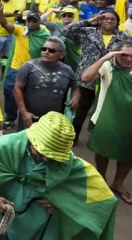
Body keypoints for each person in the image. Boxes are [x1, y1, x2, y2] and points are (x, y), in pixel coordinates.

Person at [0, 111, 117, 239]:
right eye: (41, 153)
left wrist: (63, 203)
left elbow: (104, 199)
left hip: (44, 222)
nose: (46, 159)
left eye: (53, 157)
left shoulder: (69, 163)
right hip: (6, 215)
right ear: (31, 139)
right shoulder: (5, 147)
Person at [61, 10, 129, 143]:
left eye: (112, 19)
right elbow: (65, 30)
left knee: (106, 109)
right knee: (81, 109)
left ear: (117, 22)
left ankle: (102, 139)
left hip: (110, 78)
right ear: (100, 20)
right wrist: (89, 21)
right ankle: (72, 138)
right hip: (87, 77)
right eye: (105, 18)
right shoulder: (88, 32)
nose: (109, 21)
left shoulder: (123, 37)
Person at [81, 39, 132, 205]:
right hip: (106, 118)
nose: (129, 59)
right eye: (124, 55)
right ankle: (101, 180)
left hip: (129, 120)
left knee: (128, 154)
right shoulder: (108, 66)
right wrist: (105, 58)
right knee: (102, 150)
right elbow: (85, 77)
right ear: (116, 53)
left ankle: (118, 184)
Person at [0, 3, 51, 129]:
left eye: (34, 21)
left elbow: (48, 51)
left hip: (34, 69)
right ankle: (10, 117)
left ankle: (27, 117)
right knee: (9, 91)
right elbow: (4, 24)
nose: (31, 23)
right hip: (16, 68)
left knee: (30, 94)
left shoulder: (45, 34)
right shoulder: (20, 30)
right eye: (29, 21)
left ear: (39, 22)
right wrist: (0, 12)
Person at [14, 37, 80, 130]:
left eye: (51, 50)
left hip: (53, 121)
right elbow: (17, 88)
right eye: (44, 49)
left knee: (48, 143)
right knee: (27, 143)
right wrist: (24, 113)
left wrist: (75, 97)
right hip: (30, 118)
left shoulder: (67, 70)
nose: (46, 52)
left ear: (61, 55)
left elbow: (75, 87)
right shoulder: (29, 66)